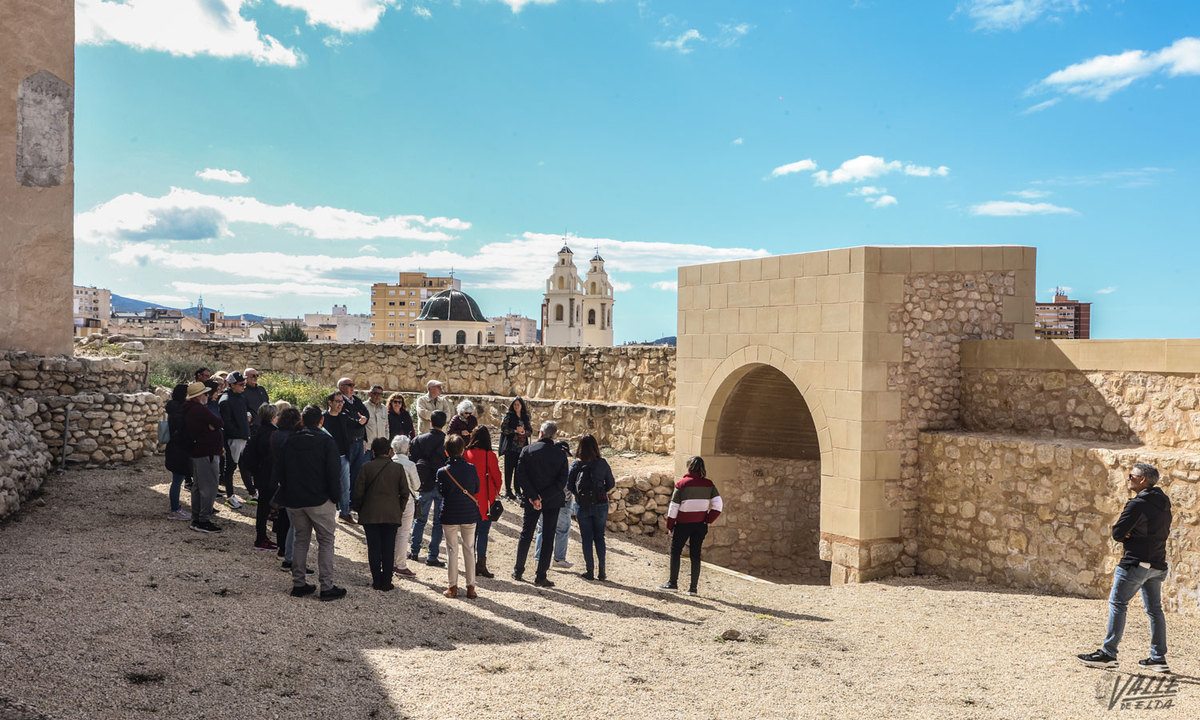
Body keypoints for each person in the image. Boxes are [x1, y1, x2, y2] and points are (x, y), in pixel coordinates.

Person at [1078, 463, 1173, 672]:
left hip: (1134, 563)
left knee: (1118, 604)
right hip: (1157, 564)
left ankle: (1108, 654)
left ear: (1142, 480)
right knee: (1155, 610)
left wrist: (1128, 533)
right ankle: (1158, 658)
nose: (1128, 478)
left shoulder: (1137, 504)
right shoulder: (1164, 501)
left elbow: (1118, 532)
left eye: (1131, 475)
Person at [273, 405, 346, 601]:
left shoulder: (290, 441)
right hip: (320, 499)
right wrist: (336, 498)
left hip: (295, 499)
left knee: (300, 539)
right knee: (326, 541)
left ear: (302, 421)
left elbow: (280, 470)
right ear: (321, 421)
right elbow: (334, 472)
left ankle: (298, 583)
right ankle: (326, 586)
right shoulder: (326, 441)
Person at [512, 421, 569, 587]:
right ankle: (541, 575)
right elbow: (561, 482)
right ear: (554, 436)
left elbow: (521, 476)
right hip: (551, 500)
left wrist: (534, 496)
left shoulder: (527, 450)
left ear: (541, 433)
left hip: (531, 498)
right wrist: (542, 497)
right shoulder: (560, 455)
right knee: (548, 535)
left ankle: (518, 570)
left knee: (526, 534)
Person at [659, 456, 723, 597]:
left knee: (676, 552)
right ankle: (693, 589)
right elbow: (718, 505)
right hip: (700, 525)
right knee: (695, 555)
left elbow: (673, 507)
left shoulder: (682, 484)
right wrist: (708, 519)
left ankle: (673, 583)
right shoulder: (709, 485)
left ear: (688, 467)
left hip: (683, 525)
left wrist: (670, 525)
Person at [352, 438, 410, 592]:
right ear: (390, 451)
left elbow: (357, 493)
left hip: (370, 514)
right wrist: (399, 509)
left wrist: (359, 509)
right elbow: (405, 493)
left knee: (374, 548)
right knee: (388, 547)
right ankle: (387, 581)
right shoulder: (398, 469)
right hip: (391, 514)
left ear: (373, 451)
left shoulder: (366, 467)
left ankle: (376, 580)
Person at [436, 434, 480, 599]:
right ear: (463, 450)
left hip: (450, 512)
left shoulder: (442, 472)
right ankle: (471, 587)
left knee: (452, 550)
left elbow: (441, 492)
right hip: (468, 512)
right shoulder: (471, 468)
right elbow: (476, 488)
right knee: (469, 549)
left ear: (446, 452)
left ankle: (452, 586)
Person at [568, 434, 615, 581]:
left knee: (586, 538)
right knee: (599, 537)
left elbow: (569, 485)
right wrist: (601, 492)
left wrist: (580, 496)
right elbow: (611, 483)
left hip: (583, 505)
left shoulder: (576, 465)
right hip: (601, 504)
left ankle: (589, 570)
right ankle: (602, 570)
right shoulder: (602, 463)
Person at [408, 410, 448, 566]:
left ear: (430, 422)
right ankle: (432, 556)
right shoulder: (447, 441)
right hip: (440, 484)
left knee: (420, 519)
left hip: (424, 483)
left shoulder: (418, 440)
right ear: (444, 424)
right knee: (438, 522)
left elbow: (412, 461)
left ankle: (414, 551)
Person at [182, 381, 223, 534]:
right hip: (207, 453)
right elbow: (219, 422)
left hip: (199, 452)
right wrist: (212, 426)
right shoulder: (199, 410)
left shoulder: (189, 409)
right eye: (206, 393)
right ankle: (203, 520)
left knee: (198, 487)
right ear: (199, 396)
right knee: (209, 488)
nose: (208, 395)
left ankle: (197, 517)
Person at [464, 426, 502, 579]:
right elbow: (497, 479)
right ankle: (481, 564)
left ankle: (470, 564)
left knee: (469, 534)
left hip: (469, 499)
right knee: (483, 534)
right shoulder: (490, 455)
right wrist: (495, 492)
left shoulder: (466, 453)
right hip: (485, 501)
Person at [272, 408, 303, 571]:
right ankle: (289, 558)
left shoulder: (276, 434)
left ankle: (284, 551)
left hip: (279, 479)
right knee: (293, 523)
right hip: (290, 482)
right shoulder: (292, 437)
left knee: (283, 520)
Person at [535, 439, 573, 569]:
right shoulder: (561, 462)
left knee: (542, 528)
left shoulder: (544, 461)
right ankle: (559, 558)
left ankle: (538, 557)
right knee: (562, 530)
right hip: (561, 500)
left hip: (544, 499)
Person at [246, 403, 280, 552]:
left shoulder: (258, 431)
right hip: (271, 476)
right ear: (273, 417)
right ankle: (262, 539)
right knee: (269, 508)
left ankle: (262, 537)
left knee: (263, 508)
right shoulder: (273, 433)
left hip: (260, 475)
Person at [218, 371, 253, 506]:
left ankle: (251, 493)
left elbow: (246, 411)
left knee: (243, 466)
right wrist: (239, 433)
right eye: (241, 384)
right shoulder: (225, 400)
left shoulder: (241, 396)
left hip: (243, 437)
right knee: (230, 467)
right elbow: (227, 424)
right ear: (232, 385)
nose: (243, 386)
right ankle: (230, 496)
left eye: (244, 384)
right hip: (234, 439)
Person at [389, 435, 421, 578]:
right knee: (403, 533)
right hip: (406, 502)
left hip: (390, 501)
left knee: (391, 532)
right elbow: (417, 485)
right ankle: (400, 564)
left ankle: (389, 561)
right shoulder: (410, 465)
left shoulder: (389, 462)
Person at [336, 377, 371, 500]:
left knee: (356, 473)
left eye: (353, 384)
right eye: (349, 385)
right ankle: (343, 503)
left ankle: (352, 501)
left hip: (359, 440)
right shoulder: (338, 401)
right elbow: (345, 419)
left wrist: (363, 420)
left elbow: (366, 413)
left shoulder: (356, 400)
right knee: (345, 475)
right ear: (341, 387)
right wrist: (359, 421)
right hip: (348, 442)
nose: (352, 387)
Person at [322, 392, 355, 523]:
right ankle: (325, 513)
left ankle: (345, 512)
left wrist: (362, 421)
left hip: (343, 456)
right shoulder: (323, 417)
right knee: (327, 485)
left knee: (345, 486)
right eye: (337, 401)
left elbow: (356, 425)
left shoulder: (343, 417)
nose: (340, 404)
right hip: (327, 458)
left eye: (342, 402)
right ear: (330, 402)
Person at [163, 382, 192, 521]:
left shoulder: (173, 409)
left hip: (172, 448)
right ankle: (174, 510)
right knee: (177, 481)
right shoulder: (181, 412)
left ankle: (175, 508)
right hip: (180, 449)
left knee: (176, 480)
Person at [240, 368, 270, 495]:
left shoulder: (261, 390)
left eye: (257, 375)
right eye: (252, 376)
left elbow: (267, 406)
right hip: (250, 430)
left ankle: (259, 486)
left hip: (263, 429)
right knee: (246, 459)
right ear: (245, 377)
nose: (255, 378)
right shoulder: (243, 392)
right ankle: (251, 490)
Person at [498, 397, 532, 500]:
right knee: (508, 469)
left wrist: (524, 432)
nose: (516, 407)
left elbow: (530, 430)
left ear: (522, 406)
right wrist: (515, 431)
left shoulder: (525, 417)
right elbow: (504, 429)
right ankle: (508, 490)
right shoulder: (509, 416)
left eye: (518, 405)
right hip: (510, 447)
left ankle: (518, 490)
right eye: (515, 405)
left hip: (521, 448)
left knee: (519, 470)